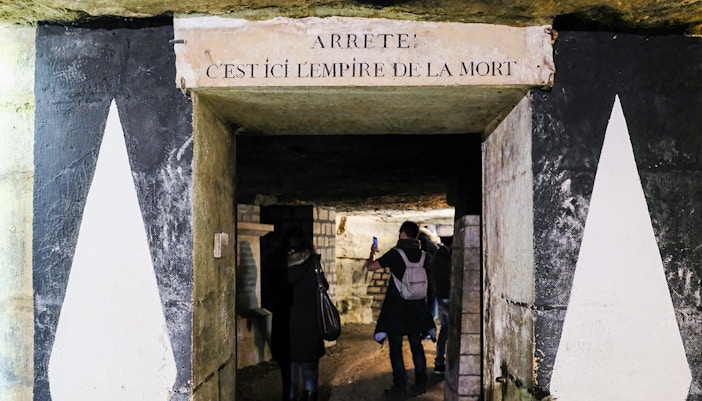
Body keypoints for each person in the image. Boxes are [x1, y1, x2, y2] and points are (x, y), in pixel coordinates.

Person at [364, 221, 436, 397]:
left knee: (395, 348)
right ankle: (420, 383)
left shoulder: (395, 254)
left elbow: (371, 267)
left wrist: (372, 254)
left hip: (396, 310)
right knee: (416, 346)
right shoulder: (424, 256)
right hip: (417, 309)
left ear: (403, 234)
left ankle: (400, 385)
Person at [269, 227, 326, 401]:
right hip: (310, 330)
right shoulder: (313, 265)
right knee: (310, 379)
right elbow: (324, 289)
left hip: (285, 333)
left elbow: (270, 299)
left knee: (290, 383)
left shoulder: (277, 267)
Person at [429, 236, 452, 374]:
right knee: (449, 328)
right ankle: (442, 362)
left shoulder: (439, 255)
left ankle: (439, 362)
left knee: (445, 329)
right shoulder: (444, 256)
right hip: (446, 296)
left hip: (441, 295)